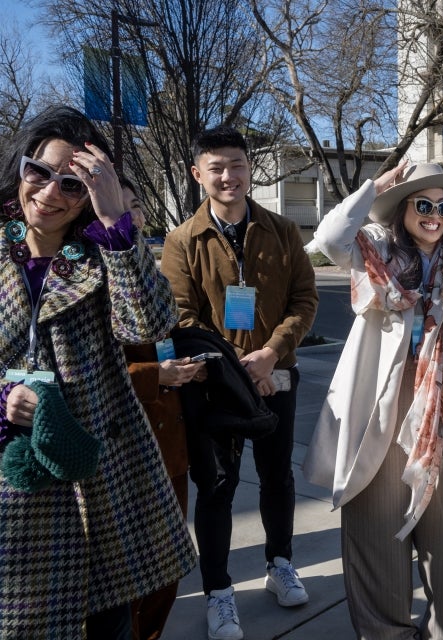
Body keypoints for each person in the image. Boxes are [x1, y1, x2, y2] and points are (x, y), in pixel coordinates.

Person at [301, 161, 443, 639]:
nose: (435, 215)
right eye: (423, 204)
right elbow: (328, 239)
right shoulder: (375, 249)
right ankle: (386, 633)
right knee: (377, 543)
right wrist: (376, 187)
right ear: (403, 207)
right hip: (378, 419)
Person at [0, 105, 195, 639]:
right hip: (16, 486)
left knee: (110, 623)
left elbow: (149, 324)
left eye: (72, 184)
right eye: (39, 172)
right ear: (21, 167)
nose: (49, 193)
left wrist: (116, 224)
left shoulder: (101, 256)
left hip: (103, 483)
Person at [160, 125, 319, 640]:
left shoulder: (282, 231)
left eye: (237, 165)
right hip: (215, 385)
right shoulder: (183, 240)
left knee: (278, 478)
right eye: (217, 167)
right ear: (197, 174)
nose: (229, 176)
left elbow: (304, 301)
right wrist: (237, 367)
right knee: (217, 487)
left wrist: (272, 355)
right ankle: (219, 592)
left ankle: (280, 563)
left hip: (277, 376)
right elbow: (181, 317)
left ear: (250, 168)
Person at [119, 176, 205, 640]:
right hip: (123, 451)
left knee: (166, 567)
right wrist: (157, 376)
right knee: (127, 574)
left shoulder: (151, 275)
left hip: (170, 446)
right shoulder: (86, 279)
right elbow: (80, 378)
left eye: (136, 206)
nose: (132, 215)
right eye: (119, 206)